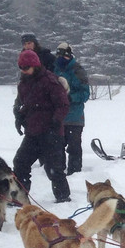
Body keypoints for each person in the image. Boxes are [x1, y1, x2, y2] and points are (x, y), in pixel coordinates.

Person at [13, 49, 71, 203]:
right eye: (21, 68)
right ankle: (20, 197)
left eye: (26, 68)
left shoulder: (50, 81)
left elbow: (63, 105)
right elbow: (27, 104)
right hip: (32, 132)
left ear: (35, 66)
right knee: (20, 162)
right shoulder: (24, 84)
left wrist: (56, 121)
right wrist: (20, 117)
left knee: (54, 169)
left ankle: (63, 198)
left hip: (51, 132)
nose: (23, 71)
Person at [54, 42, 90, 175]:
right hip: (58, 116)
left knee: (74, 147)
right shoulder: (54, 69)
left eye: (64, 55)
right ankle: (58, 172)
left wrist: (69, 98)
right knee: (57, 147)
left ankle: (75, 173)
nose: (61, 58)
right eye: (59, 55)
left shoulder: (78, 70)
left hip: (75, 116)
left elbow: (85, 93)